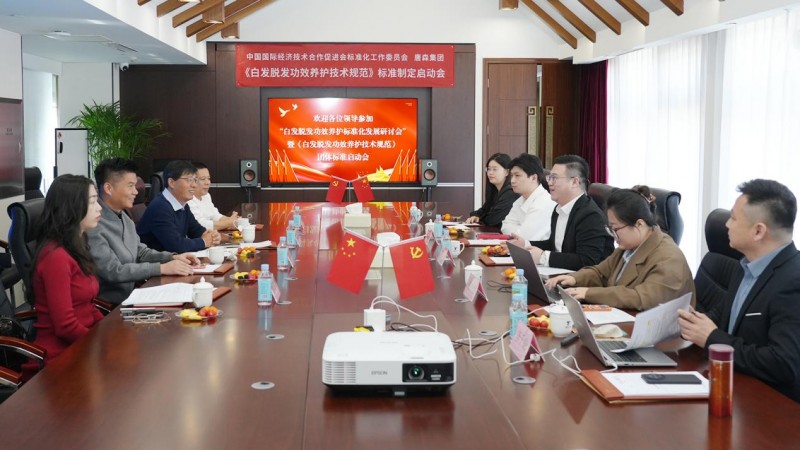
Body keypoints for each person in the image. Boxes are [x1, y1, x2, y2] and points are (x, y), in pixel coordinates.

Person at [679, 179, 800, 402]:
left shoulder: (793, 281)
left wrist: (712, 338)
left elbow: (783, 363)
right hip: (732, 386)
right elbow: (725, 316)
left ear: (758, 231)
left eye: (733, 218)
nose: (727, 224)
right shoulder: (745, 265)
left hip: (770, 406)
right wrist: (690, 322)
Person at [545, 186, 695, 311]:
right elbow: (600, 273)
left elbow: (640, 297)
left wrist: (588, 293)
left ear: (639, 224)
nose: (613, 235)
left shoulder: (668, 258)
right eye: (610, 229)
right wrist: (574, 278)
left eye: (616, 229)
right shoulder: (629, 246)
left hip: (662, 330)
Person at [87, 158, 201, 305]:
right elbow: (113, 271)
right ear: (109, 188)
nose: (136, 192)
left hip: (135, 296)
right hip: (112, 306)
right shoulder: (93, 224)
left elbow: (141, 253)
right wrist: (161, 268)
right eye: (130, 186)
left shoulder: (124, 217)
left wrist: (173, 258)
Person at [23, 175, 104, 380]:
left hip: (83, 345)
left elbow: (89, 305)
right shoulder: (56, 257)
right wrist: (100, 344)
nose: (99, 208)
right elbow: (65, 326)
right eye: (92, 202)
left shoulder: (77, 245)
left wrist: (108, 332)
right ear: (72, 207)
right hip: (60, 358)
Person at [510, 154, 614, 270]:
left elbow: (587, 261)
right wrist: (525, 244)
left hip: (583, 278)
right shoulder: (559, 209)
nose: (549, 183)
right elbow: (554, 245)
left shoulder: (590, 215)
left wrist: (543, 257)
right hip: (561, 272)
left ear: (574, 182)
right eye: (549, 178)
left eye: (554, 178)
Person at [137, 160, 221, 253]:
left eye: (195, 180)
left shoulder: (182, 204)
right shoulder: (159, 207)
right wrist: (204, 242)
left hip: (175, 259)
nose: (194, 185)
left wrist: (211, 236)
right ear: (172, 182)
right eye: (189, 180)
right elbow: (177, 246)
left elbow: (196, 230)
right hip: (157, 261)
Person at [500, 153, 555, 240]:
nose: (512, 181)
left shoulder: (543, 202)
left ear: (533, 178)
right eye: (512, 176)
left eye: (517, 175)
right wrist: (520, 230)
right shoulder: (521, 199)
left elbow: (525, 237)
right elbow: (505, 226)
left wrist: (518, 230)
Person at [465, 153, 518, 227]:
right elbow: (481, 211)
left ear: (506, 172)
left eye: (494, 169)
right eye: (489, 169)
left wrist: (479, 218)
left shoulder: (510, 193)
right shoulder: (495, 191)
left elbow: (492, 219)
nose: (490, 173)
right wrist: (476, 216)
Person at [187, 161, 239, 231]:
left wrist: (235, 221)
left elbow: (215, 215)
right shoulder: (187, 199)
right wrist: (229, 223)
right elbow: (200, 224)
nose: (207, 183)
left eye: (208, 178)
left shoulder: (206, 196)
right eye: (203, 179)